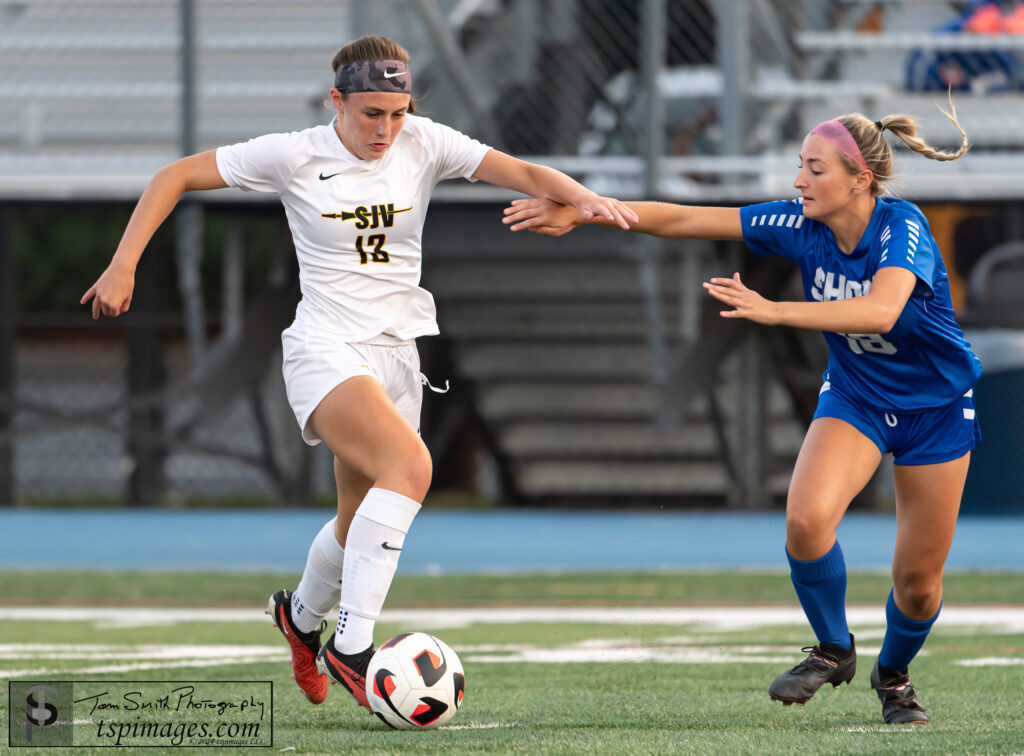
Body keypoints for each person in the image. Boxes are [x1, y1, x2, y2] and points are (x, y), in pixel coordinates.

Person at [81, 35, 637, 711]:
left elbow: (523, 172)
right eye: (371, 112)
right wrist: (123, 262)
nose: (386, 129)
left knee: (355, 520)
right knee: (413, 468)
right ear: (336, 101)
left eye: (398, 112)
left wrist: (586, 202)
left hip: (397, 354)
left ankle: (301, 617)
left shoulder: (425, 143)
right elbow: (173, 176)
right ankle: (352, 647)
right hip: (325, 349)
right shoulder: (293, 154)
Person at [502, 106, 979, 725]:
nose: (799, 181)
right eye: (798, 167)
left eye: (814, 169)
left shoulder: (902, 225)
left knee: (918, 583)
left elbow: (882, 310)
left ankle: (894, 677)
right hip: (858, 396)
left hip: (936, 407)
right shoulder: (800, 224)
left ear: (860, 180)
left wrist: (776, 311)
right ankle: (834, 648)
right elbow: (682, 217)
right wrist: (588, 208)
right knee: (806, 520)